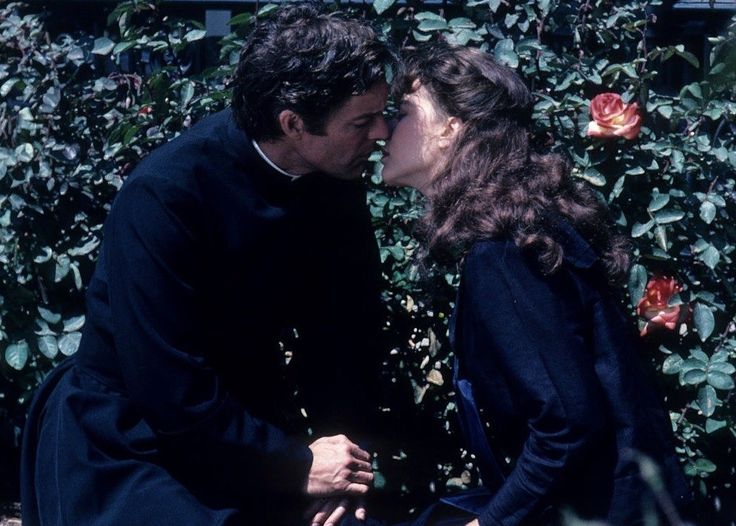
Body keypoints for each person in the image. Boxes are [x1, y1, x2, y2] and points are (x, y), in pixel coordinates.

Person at [21, 4, 396, 525]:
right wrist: (297, 466)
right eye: (362, 121)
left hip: (246, 423)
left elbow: (346, 340)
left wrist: (344, 467)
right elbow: (168, 390)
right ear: (293, 124)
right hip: (131, 437)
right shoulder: (166, 195)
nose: (381, 132)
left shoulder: (332, 176)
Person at [381, 42, 692, 526]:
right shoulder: (524, 230)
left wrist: (492, 521)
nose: (383, 129)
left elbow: (566, 424)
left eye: (402, 113)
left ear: (451, 127)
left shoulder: (502, 254)